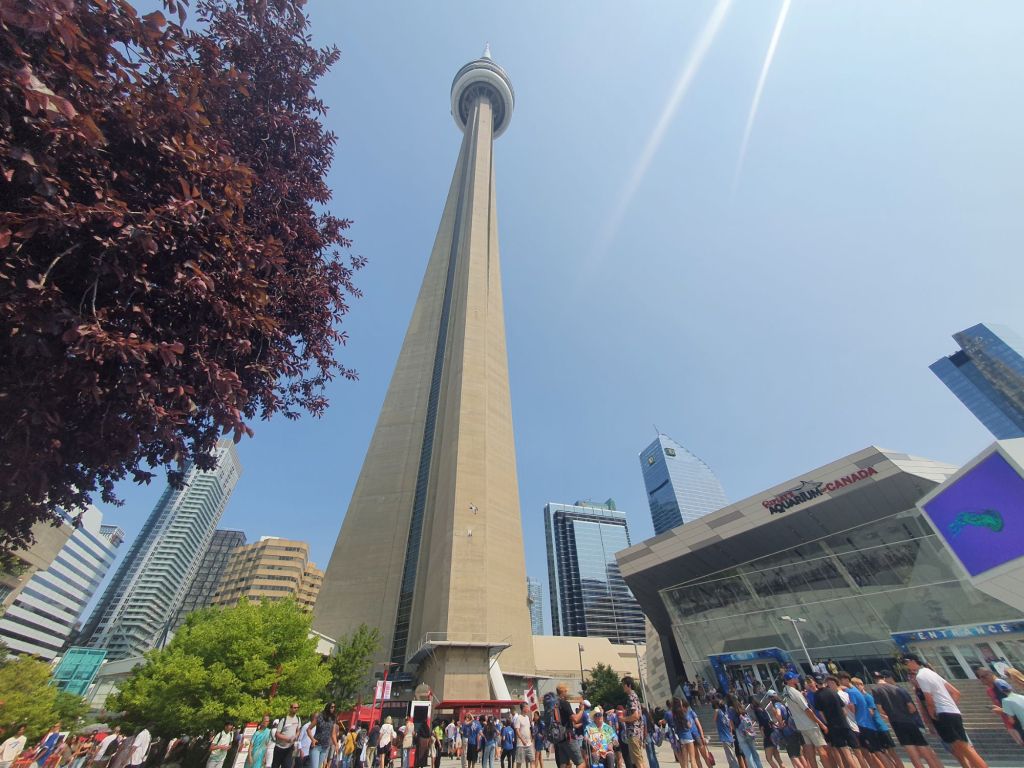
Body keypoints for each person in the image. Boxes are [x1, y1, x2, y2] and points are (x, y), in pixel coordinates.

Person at [900, 654, 987, 768]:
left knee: (963, 748)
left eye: (905, 662)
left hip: (943, 714)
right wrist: (950, 705)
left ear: (912, 661)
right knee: (961, 747)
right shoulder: (931, 673)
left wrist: (933, 714)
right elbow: (955, 692)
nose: (906, 666)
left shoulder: (921, 676)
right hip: (952, 712)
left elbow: (929, 700)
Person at [870, 670, 940, 768]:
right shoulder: (899, 689)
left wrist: (889, 716)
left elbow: (880, 709)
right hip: (909, 721)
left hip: (896, 722)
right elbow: (912, 708)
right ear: (884, 678)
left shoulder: (876, 690)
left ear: (874, 680)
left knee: (912, 753)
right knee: (925, 751)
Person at [780, 674, 826, 768]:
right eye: (794, 678)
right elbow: (807, 710)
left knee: (810, 751)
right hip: (809, 724)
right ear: (790, 680)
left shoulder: (786, 690)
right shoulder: (796, 693)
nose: (797, 678)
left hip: (800, 725)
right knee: (822, 750)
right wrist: (821, 724)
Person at [974, 666, 1022, 746]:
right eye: (982, 677)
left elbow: (1014, 701)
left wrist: (1002, 710)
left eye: (986, 674)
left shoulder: (999, 683)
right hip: (1011, 721)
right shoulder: (990, 689)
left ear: (991, 673)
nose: (985, 678)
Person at [816, 677, 858, 768]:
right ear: (825, 683)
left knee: (845, 751)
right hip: (844, 723)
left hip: (833, 725)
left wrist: (827, 723)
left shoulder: (818, 695)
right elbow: (844, 709)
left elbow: (821, 713)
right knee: (855, 751)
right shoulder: (833, 692)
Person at [552, 684, 584, 768]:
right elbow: (575, 719)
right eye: (566, 691)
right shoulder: (564, 703)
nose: (567, 693)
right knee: (581, 763)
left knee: (564, 764)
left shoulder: (554, 705)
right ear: (563, 692)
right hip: (568, 737)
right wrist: (581, 710)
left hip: (559, 738)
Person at [620, 678, 646, 768]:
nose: (623, 687)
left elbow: (635, 716)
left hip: (633, 731)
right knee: (639, 759)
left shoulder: (631, 697)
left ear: (629, 685)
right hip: (637, 731)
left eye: (624, 685)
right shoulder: (635, 696)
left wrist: (623, 719)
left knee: (637, 760)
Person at [751, 696, 783, 768]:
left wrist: (761, 729)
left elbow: (763, 722)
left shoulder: (757, 711)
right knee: (778, 758)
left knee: (769, 758)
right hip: (773, 733)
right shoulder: (763, 709)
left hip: (768, 735)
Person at [666, 698, 695, 768]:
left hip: (681, 739)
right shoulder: (683, 714)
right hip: (688, 737)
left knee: (685, 762)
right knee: (692, 759)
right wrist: (691, 723)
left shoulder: (674, 715)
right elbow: (689, 726)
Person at [274, 704, 304, 768]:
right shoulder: (284, 719)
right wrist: (287, 739)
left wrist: (295, 736)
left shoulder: (298, 719)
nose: (296, 709)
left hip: (290, 748)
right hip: (280, 747)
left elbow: (298, 730)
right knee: (275, 766)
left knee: (287, 766)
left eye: (297, 707)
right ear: (290, 708)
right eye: (294, 707)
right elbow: (277, 734)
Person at [713, 698, 741, 768]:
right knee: (731, 755)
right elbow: (730, 725)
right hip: (729, 736)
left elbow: (714, 719)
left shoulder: (717, 711)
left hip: (725, 737)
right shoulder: (726, 712)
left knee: (730, 757)